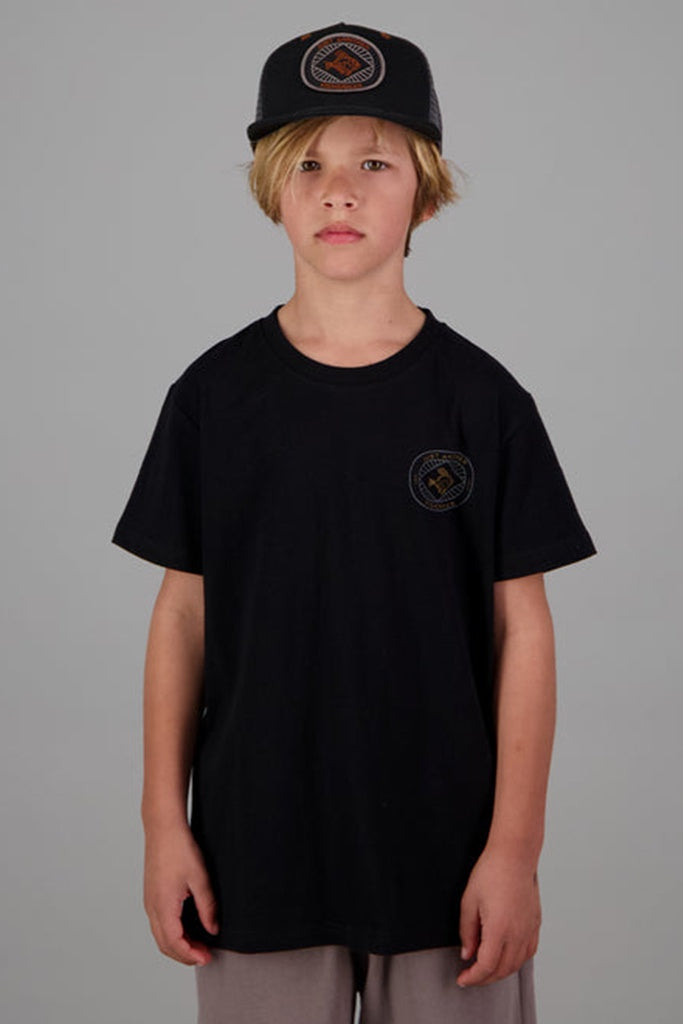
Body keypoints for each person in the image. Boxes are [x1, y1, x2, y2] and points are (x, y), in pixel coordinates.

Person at [111, 20, 597, 1024]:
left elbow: (523, 632)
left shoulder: (483, 403)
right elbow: (182, 618)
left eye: (373, 162)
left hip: (448, 858)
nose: (339, 190)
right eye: (309, 164)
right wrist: (164, 823)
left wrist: (513, 850)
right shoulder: (212, 399)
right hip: (254, 854)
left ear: (425, 189)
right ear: (272, 191)